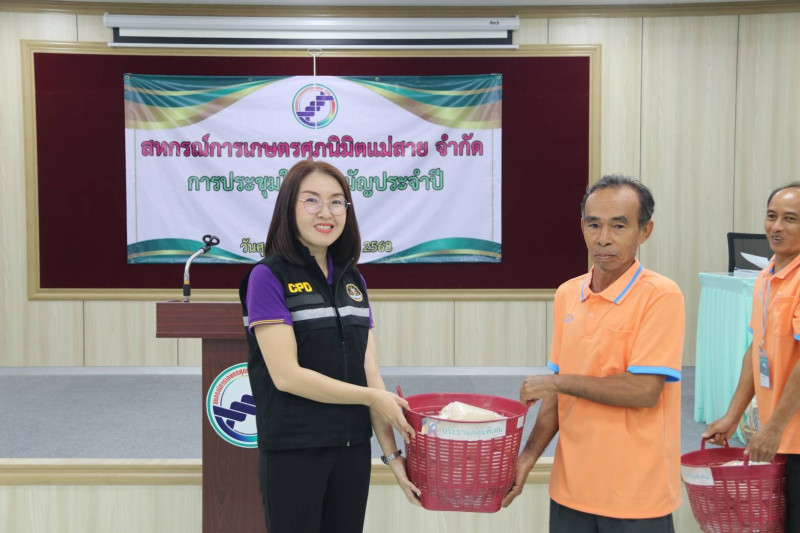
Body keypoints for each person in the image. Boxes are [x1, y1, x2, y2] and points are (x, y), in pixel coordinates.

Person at [239, 159, 421, 533]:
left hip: (352, 450)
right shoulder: (267, 276)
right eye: (312, 200)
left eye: (337, 202)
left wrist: (393, 459)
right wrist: (373, 398)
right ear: (288, 208)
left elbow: (371, 376)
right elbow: (287, 376)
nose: (326, 212)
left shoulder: (354, 280)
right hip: (293, 449)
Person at [502, 175, 685, 532]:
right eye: (594, 225)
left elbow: (644, 391)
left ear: (644, 231)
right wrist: (526, 459)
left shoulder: (662, 295)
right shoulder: (567, 295)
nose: (603, 238)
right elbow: (555, 397)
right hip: (570, 491)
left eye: (619, 226)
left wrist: (558, 383)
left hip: (637, 496)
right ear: (582, 227)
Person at [703, 182, 800, 532]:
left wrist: (773, 429)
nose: (776, 227)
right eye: (772, 216)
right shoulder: (767, 275)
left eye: (790, 219)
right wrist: (733, 414)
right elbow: (756, 349)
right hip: (781, 433)